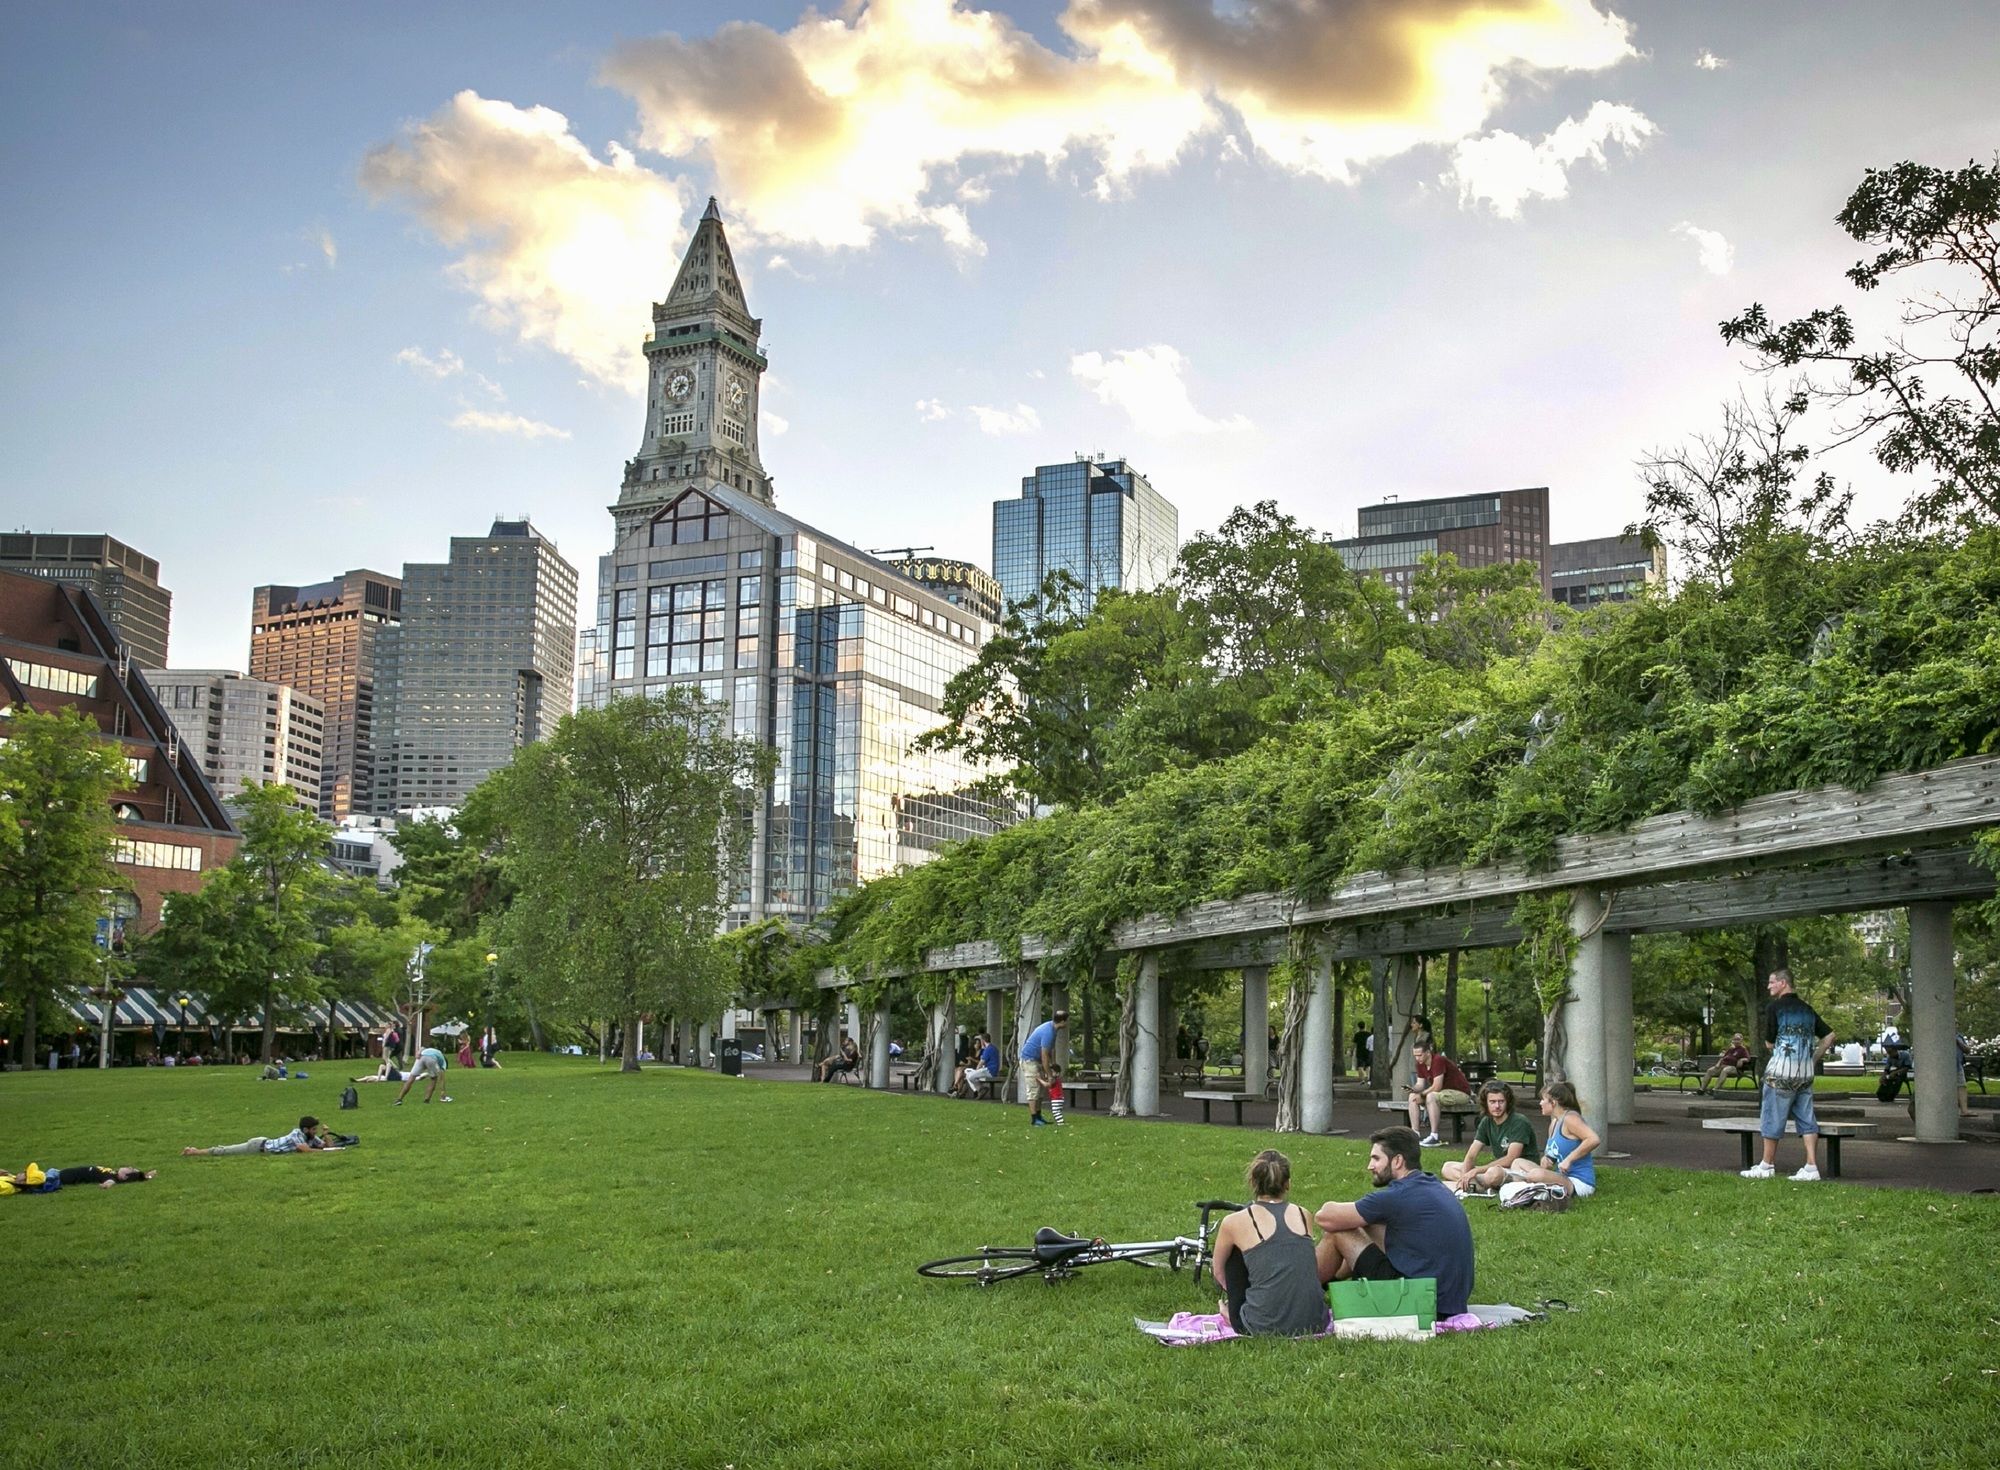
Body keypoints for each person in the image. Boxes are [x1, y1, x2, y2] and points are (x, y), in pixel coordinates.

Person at [1314, 1126, 1475, 1320]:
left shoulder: (1398, 1196)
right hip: (1448, 1300)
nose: (1369, 1166)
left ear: (1397, 1161)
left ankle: (1304, 1294)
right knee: (1369, 1223)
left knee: (1338, 1231)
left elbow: (1324, 1217)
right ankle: (1332, 1282)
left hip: (1419, 1302)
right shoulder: (1432, 1185)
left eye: (1376, 1159)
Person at [1211, 1149, 1331, 1337]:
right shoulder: (1303, 1214)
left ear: (1253, 1183)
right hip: (1315, 1321)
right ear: (1288, 1184)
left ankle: (1233, 1315)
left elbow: (1218, 1271)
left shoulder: (1233, 1222)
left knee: (1233, 1254)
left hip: (1262, 1325)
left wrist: (1236, 1305)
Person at [1742, 967, 1836, 1182]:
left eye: (1771, 982)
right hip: (1805, 1074)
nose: (1768, 986)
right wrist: (1812, 1060)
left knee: (1772, 1117)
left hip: (1781, 1073)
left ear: (1783, 983)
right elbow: (1829, 1036)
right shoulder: (1807, 1009)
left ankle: (1766, 1165)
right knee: (1807, 1118)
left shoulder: (1775, 1008)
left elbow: (1769, 1042)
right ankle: (1811, 1167)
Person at [1440, 1080, 1536, 1195]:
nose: (1497, 1106)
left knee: (1493, 1174)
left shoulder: (1519, 1121)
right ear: (1486, 1103)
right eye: (1492, 1102)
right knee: (1448, 1167)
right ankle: (1471, 1185)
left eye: (1501, 1101)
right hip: (1496, 1170)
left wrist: (1477, 1170)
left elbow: (1510, 1158)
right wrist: (1465, 1175)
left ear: (1508, 1102)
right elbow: (1471, 1154)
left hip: (1519, 1171)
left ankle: (1475, 1186)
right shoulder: (1486, 1121)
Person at [1511, 1081, 1601, 1199]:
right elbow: (1554, 1154)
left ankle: (1527, 1191)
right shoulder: (1554, 1123)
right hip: (1560, 1177)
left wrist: (1569, 1159)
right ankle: (1526, 1193)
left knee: (1536, 1174)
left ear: (1553, 1102)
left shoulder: (1570, 1118)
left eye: (1543, 1099)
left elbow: (1593, 1139)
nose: (1540, 1103)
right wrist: (1547, 1158)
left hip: (1578, 1183)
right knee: (1518, 1163)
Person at [1405, 1039, 1471, 1148]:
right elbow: (1420, 1084)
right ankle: (1415, 1134)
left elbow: (1437, 1086)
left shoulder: (1438, 1060)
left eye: (1420, 1055)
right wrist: (1413, 1089)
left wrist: (1422, 1095)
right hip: (1443, 1093)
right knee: (1412, 1097)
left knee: (1431, 1096)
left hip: (1460, 1093)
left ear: (1428, 1052)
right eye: (1415, 1056)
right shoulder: (1420, 1064)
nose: (1417, 1058)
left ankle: (1434, 1136)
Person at [182, 1116, 345, 1156]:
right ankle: (195, 1152)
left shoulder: (310, 1137)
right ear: (305, 1129)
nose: (315, 1132)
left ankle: (195, 1151)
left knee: (227, 1151)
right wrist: (325, 1153)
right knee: (227, 1151)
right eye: (314, 1130)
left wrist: (326, 1135)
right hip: (258, 1146)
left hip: (263, 1143)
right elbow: (303, 1150)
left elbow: (327, 1146)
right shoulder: (297, 1134)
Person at [1019, 1009, 1067, 1127]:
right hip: (1029, 1060)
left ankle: (1039, 1116)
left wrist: (1051, 1067)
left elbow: (1049, 1052)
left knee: (1040, 1091)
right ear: (1062, 1021)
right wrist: (1049, 1075)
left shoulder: (1052, 1028)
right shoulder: (1048, 1032)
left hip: (1037, 1060)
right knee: (1033, 1090)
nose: (1067, 1024)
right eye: (1066, 1021)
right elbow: (1044, 1055)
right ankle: (1034, 1119)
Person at [3, 1165, 155, 1191]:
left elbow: (109, 1183)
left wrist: (106, 1186)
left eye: (129, 1169)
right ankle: (14, 1178)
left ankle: (18, 1180)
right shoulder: (114, 1172)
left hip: (57, 1177)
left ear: (124, 1176)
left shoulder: (112, 1178)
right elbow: (142, 1177)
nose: (128, 1166)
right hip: (58, 1172)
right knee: (28, 1173)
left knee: (30, 1173)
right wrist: (147, 1175)